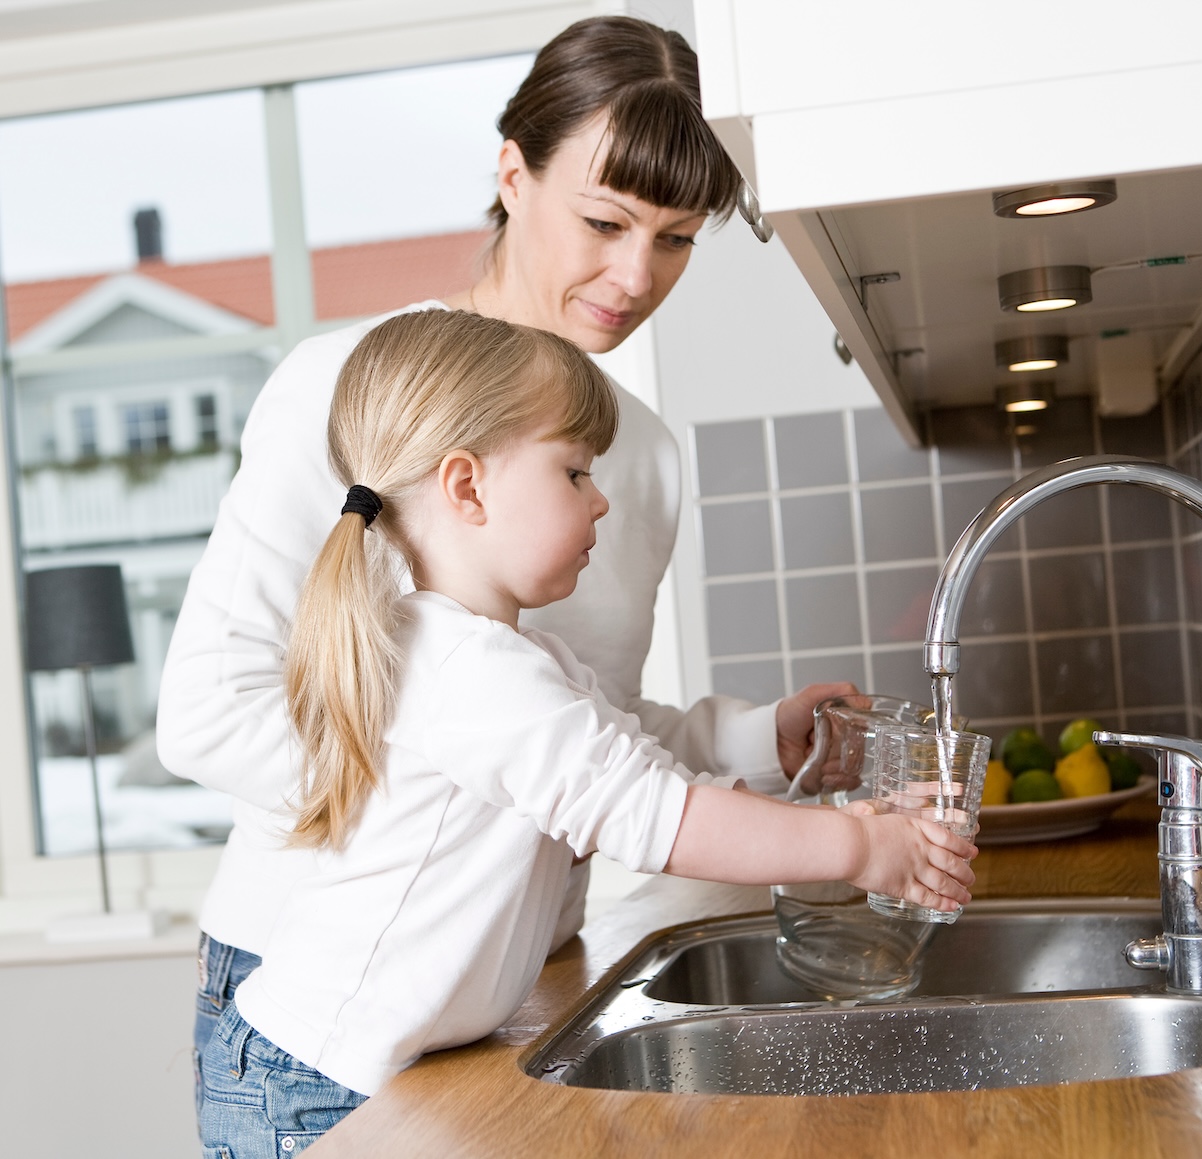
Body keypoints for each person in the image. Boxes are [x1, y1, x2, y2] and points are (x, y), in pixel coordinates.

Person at [156, 14, 853, 1085]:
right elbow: (210, 711)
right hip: (327, 984)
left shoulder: (641, 454)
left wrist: (764, 738)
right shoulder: (349, 387)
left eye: (674, 239)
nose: (635, 275)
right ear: (512, 173)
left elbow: (579, 728)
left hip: (512, 978)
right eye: (604, 220)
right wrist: (455, 804)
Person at [194, 310, 975, 1148]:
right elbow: (654, 817)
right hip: (312, 1089)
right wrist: (860, 850)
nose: (601, 498)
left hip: (354, 1068)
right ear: (467, 487)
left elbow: (638, 766)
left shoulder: (513, 657)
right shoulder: (472, 672)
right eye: (574, 472)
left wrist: (814, 784)